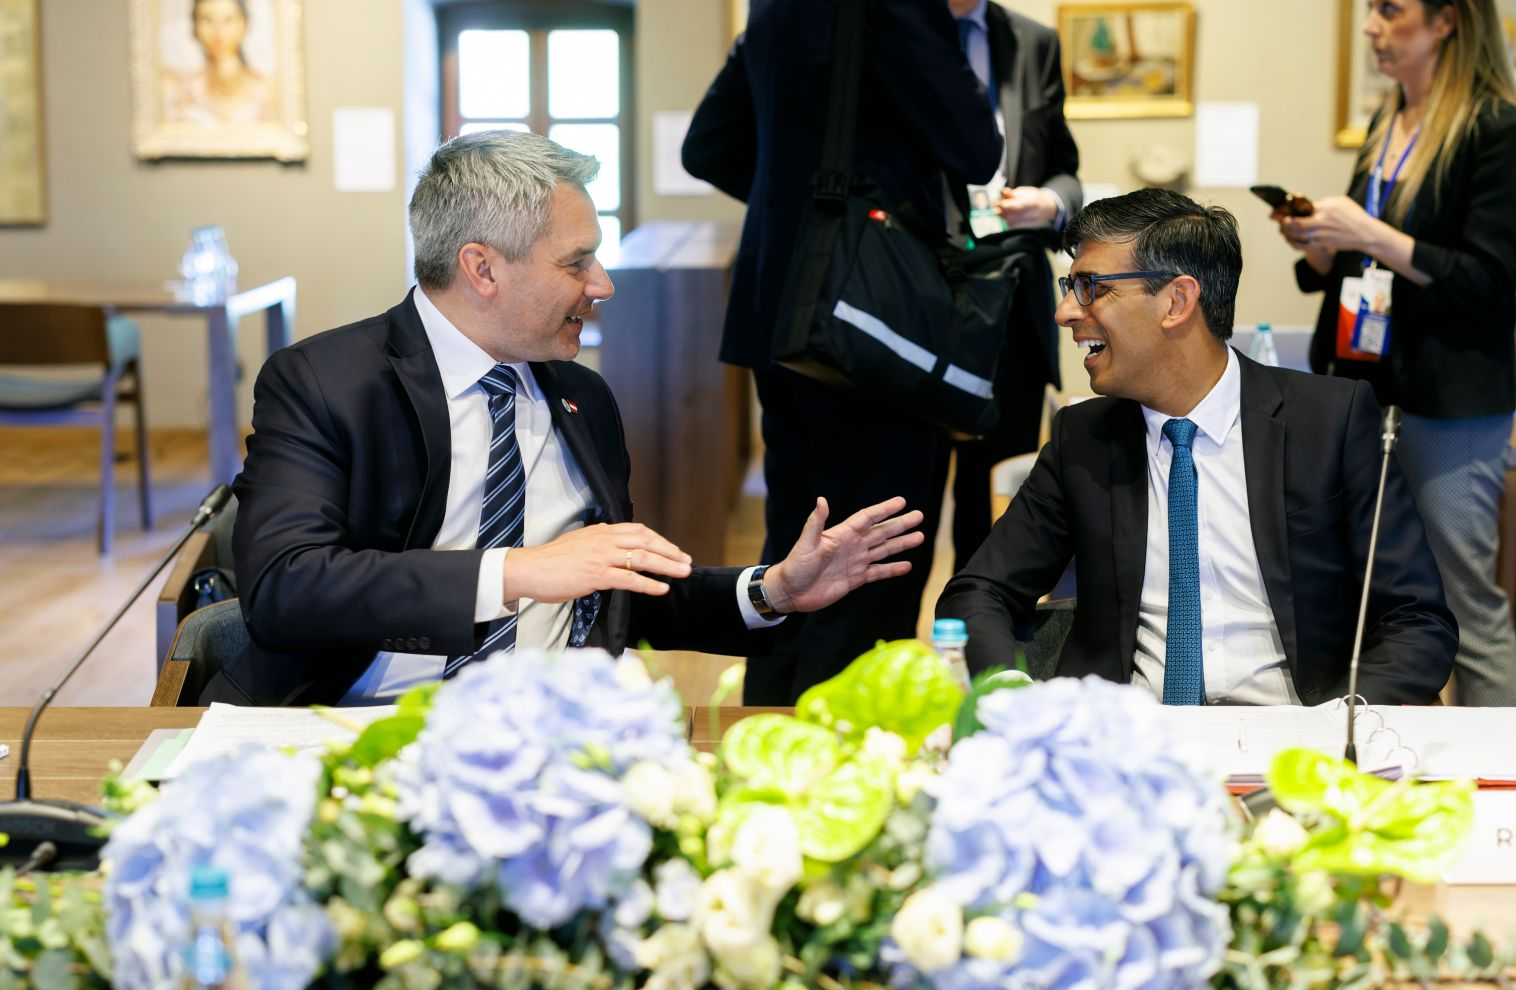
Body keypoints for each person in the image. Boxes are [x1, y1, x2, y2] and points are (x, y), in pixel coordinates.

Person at [206, 132, 924, 707]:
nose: (602, 285)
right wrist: (519, 571)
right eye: (576, 263)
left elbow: (611, 595)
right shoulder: (324, 383)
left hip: (556, 740)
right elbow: (285, 589)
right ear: (482, 269)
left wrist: (772, 591)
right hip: (358, 727)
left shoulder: (583, 398)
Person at [937, 190, 1458, 706]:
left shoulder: (1329, 421)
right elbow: (977, 593)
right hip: (1137, 745)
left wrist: (1337, 724)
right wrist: (1015, 696)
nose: (1066, 312)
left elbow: (1417, 619)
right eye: (1070, 286)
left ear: (1176, 302)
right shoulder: (1083, 439)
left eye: (1090, 286)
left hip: (1300, 735)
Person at [682, 0, 1003, 705]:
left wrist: (798, 205)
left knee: (794, 551)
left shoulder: (770, 8)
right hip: (867, 317)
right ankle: (840, 764)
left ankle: (765, 740)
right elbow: (978, 146)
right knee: (869, 566)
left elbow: (705, 145)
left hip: (779, 306)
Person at [1278, 0, 1516, 707]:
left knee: (1462, 597)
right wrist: (1324, 247)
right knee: (1368, 592)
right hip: (1365, 388)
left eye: (1389, 11)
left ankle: (1500, 774)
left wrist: (1369, 231)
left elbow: (1487, 281)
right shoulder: (1388, 121)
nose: (1370, 28)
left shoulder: (1496, 129)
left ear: (1447, 20)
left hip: (1450, 400)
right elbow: (1371, 270)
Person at [941, 0, 1083, 573]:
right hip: (922, 293)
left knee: (1001, 495)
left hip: (1012, 297)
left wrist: (1051, 203)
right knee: (907, 497)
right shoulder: (892, 23)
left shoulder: (1031, 42)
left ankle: (987, 646)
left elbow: (1066, 167)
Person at [160, 0, 276, 127]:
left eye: (228, 20)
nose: (218, 31)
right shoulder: (184, 91)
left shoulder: (264, 89)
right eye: (207, 20)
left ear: (244, 25)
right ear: (195, 27)